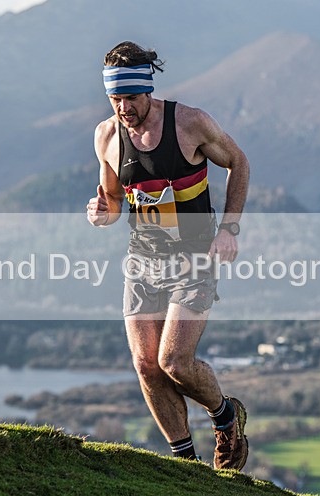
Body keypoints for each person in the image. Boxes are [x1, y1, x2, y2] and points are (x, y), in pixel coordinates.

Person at [86, 42, 250, 470]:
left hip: (195, 257)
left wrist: (229, 229)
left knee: (174, 362)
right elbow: (115, 201)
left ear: (148, 91)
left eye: (130, 99)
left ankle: (225, 415)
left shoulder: (190, 124)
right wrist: (103, 212)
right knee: (146, 366)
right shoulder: (106, 136)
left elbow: (238, 162)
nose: (123, 108)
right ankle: (187, 466)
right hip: (142, 260)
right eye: (114, 99)